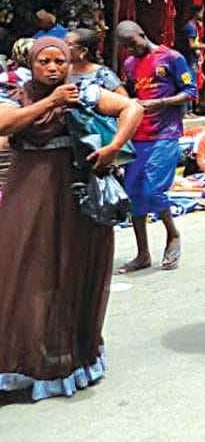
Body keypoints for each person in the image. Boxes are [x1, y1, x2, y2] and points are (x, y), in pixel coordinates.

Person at [0, 37, 142, 401]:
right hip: (28, 196)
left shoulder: (84, 92)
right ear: (32, 64)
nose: (52, 68)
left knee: (69, 273)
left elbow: (132, 109)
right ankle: (21, 362)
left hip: (74, 197)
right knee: (21, 273)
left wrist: (112, 148)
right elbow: (5, 124)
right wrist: (52, 101)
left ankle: (67, 360)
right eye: (44, 61)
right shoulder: (18, 94)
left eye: (59, 62)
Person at [116, 21, 197, 274]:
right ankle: (142, 253)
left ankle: (172, 234)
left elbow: (190, 91)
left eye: (132, 44)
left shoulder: (172, 58)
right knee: (133, 193)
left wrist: (160, 102)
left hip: (165, 133)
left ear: (142, 34)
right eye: (125, 47)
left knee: (154, 189)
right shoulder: (129, 65)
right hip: (137, 135)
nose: (130, 50)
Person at [66, 27, 126, 95]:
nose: (63, 47)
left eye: (69, 44)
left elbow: (124, 99)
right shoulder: (63, 71)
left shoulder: (103, 74)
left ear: (83, 51)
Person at [180, 5, 205, 86]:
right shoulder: (191, 27)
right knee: (189, 81)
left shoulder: (192, 25)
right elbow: (192, 45)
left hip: (190, 59)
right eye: (202, 12)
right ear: (197, 13)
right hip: (189, 60)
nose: (202, 15)